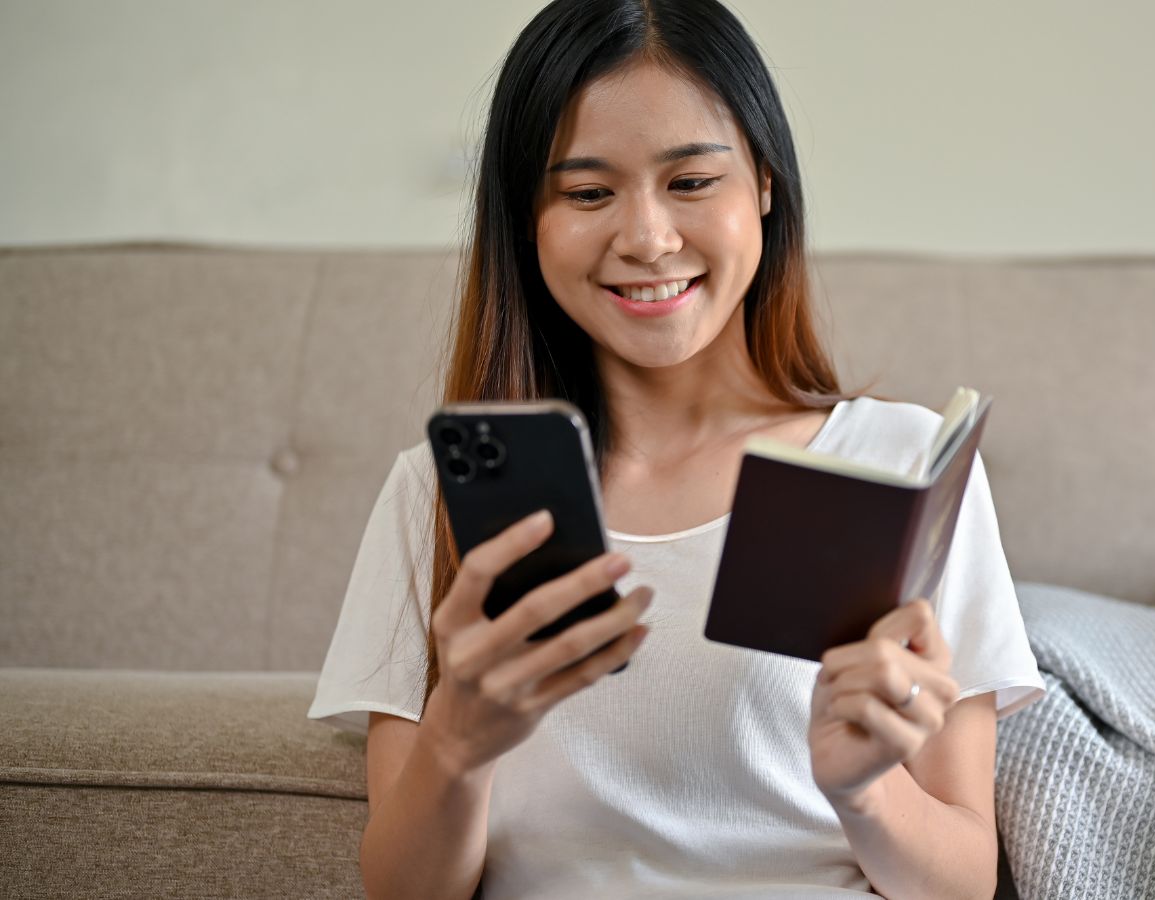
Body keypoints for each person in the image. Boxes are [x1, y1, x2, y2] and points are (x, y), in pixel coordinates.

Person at [307, 1, 1043, 897]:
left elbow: (965, 882)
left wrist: (864, 790)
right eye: (586, 193)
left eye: (691, 182)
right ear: (525, 219)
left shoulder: (898, 462)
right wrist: (457, 744)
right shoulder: (442, 493)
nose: (648, 239)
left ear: (765, 184)